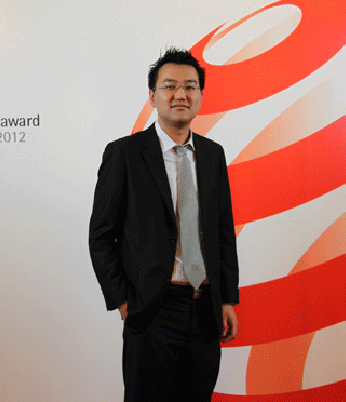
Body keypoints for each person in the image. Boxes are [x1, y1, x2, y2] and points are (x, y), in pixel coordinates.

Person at [89, 48, 239, 402]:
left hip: (204, 311)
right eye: (169, 86)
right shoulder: (125, 153)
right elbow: (101, 236)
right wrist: (123, 300)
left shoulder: (213, 154)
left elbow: (222, 233)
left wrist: (226, 299)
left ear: (200, 95)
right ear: (152, 96)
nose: (180, 94)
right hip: (151, 310)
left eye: (190, 86)